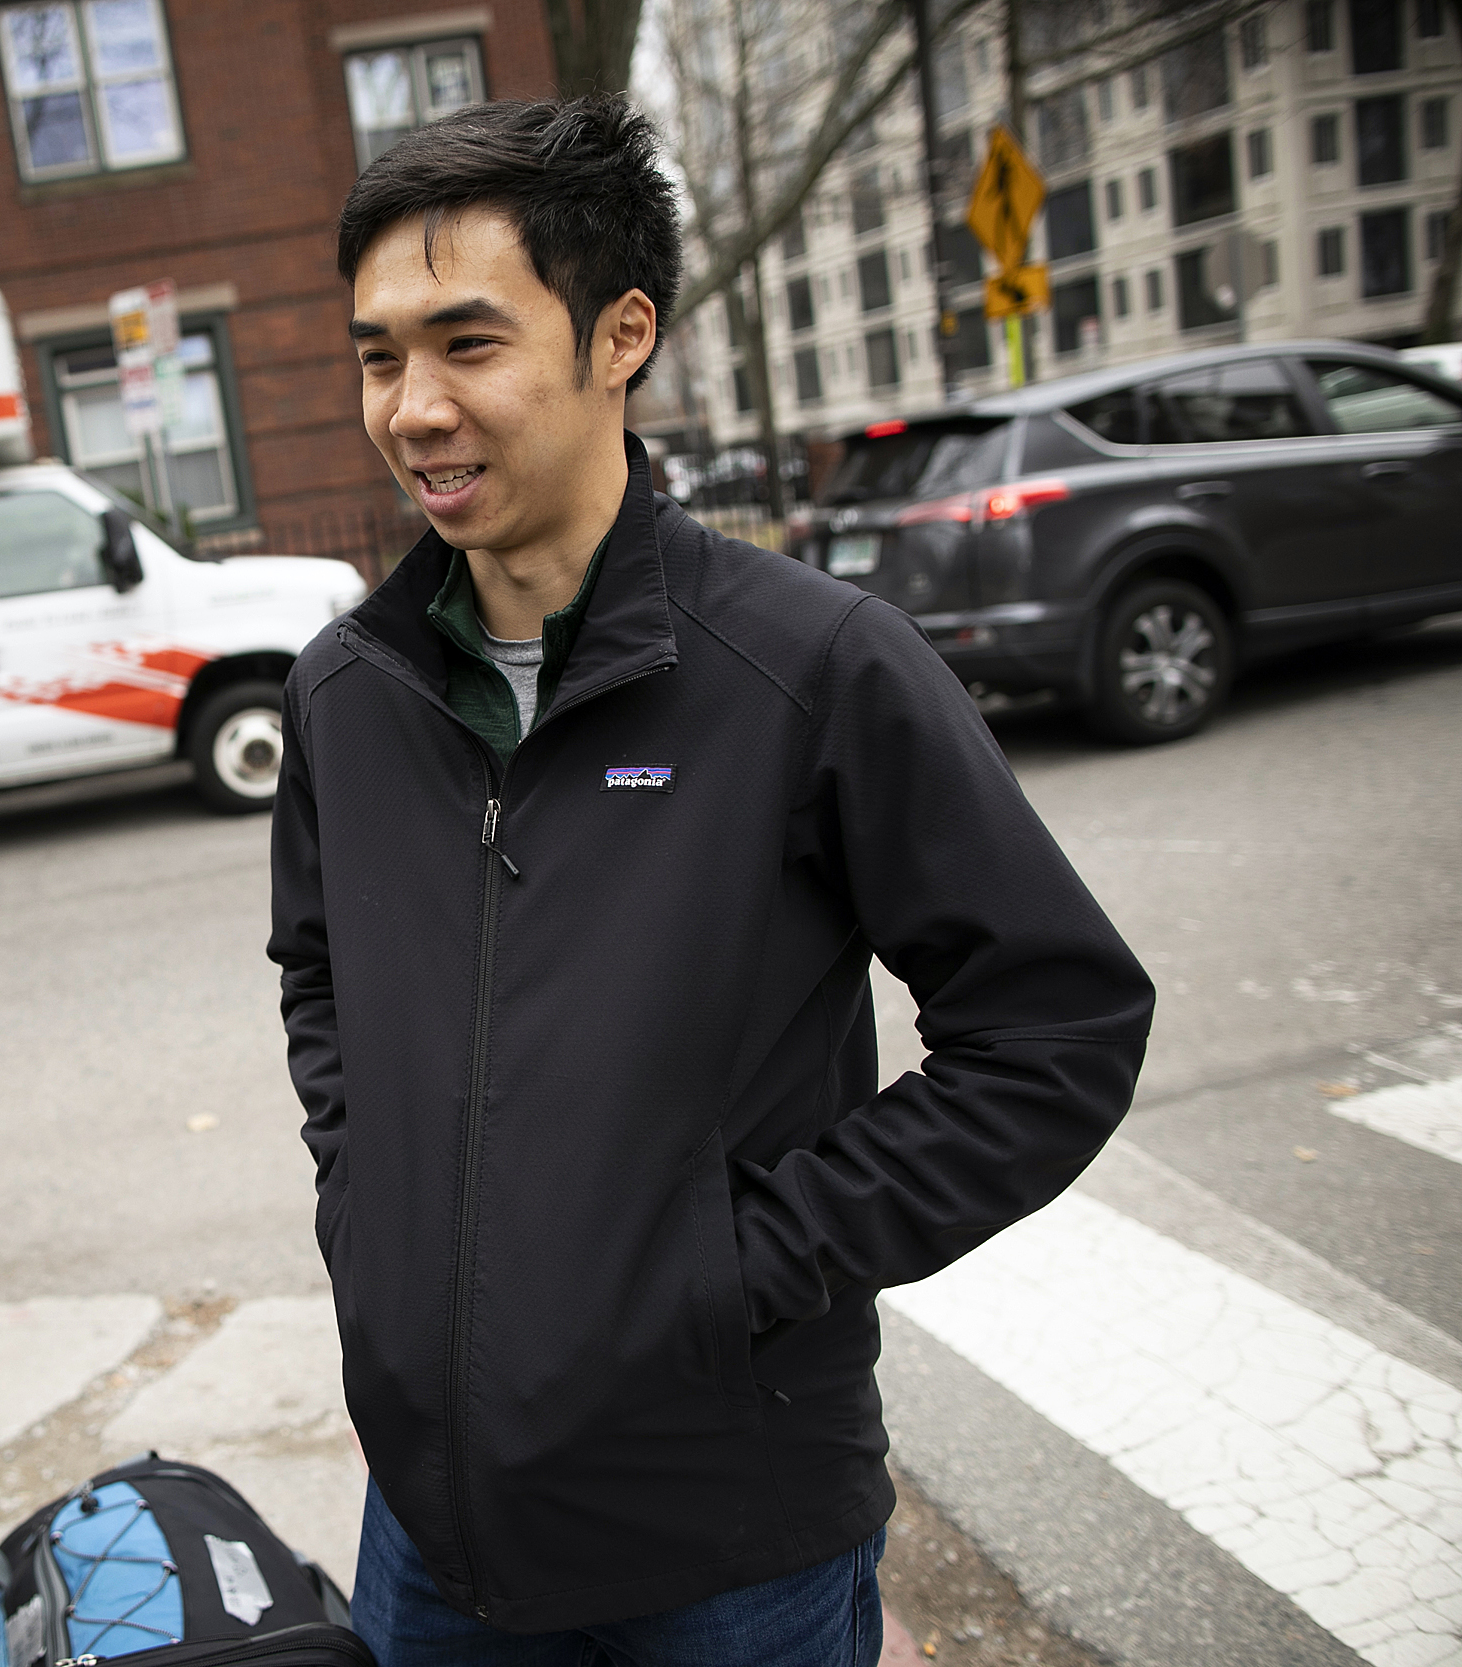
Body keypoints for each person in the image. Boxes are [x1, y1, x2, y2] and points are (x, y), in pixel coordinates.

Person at [267, 94, 1154, 1666]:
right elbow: (323, 974)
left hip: (728, 1547)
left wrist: (733, 1270)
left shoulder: (814, 667)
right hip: (432, 1538)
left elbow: (1055, 1030)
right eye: (378, 354)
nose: (411, 407)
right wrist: (372, 1218)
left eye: (467, 345)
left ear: (621, 336)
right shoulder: (348, 691)